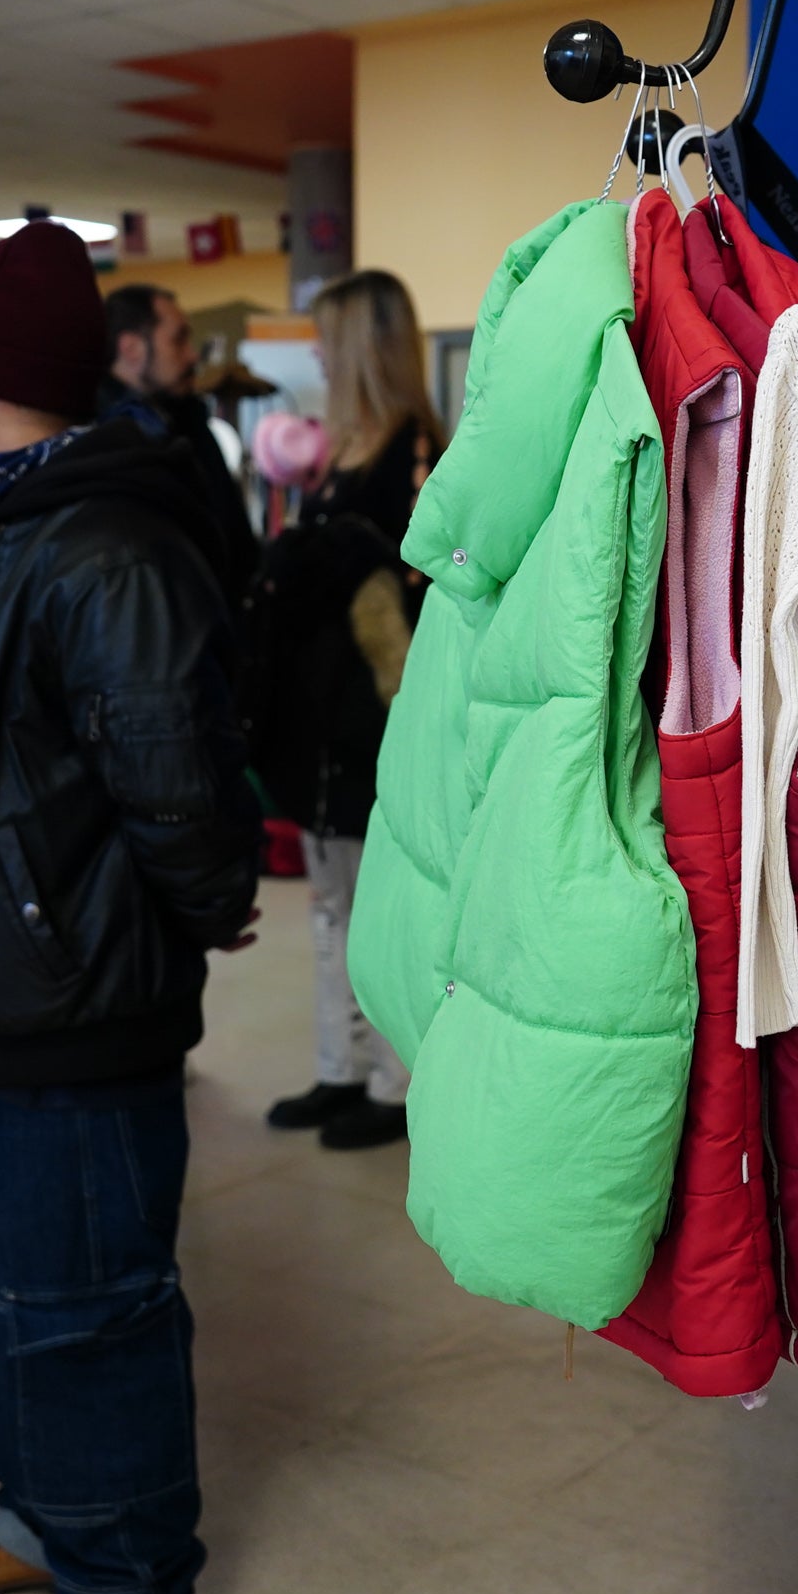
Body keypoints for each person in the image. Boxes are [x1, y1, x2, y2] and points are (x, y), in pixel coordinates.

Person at [0, 222, 260, 1594]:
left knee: (86, 1315)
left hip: (72, 1013)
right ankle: (43, 1520)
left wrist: (188, 917)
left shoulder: (100, 544)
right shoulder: (10, 520)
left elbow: (176, 786)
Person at [255, 269, 443, 1152]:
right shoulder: (337, 457)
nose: (317, 356)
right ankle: (341, 1067)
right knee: (330, 907)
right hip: (322, 720)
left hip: (383, 721)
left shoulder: (415, 451)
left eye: (328, 338)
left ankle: (394, 1083)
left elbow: (429, 588)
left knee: (380, 912)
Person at [101, 283, 254, 591]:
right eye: (179, 339)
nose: (193, 355)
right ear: (131, 348)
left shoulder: (185, 419)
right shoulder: (100, 443)